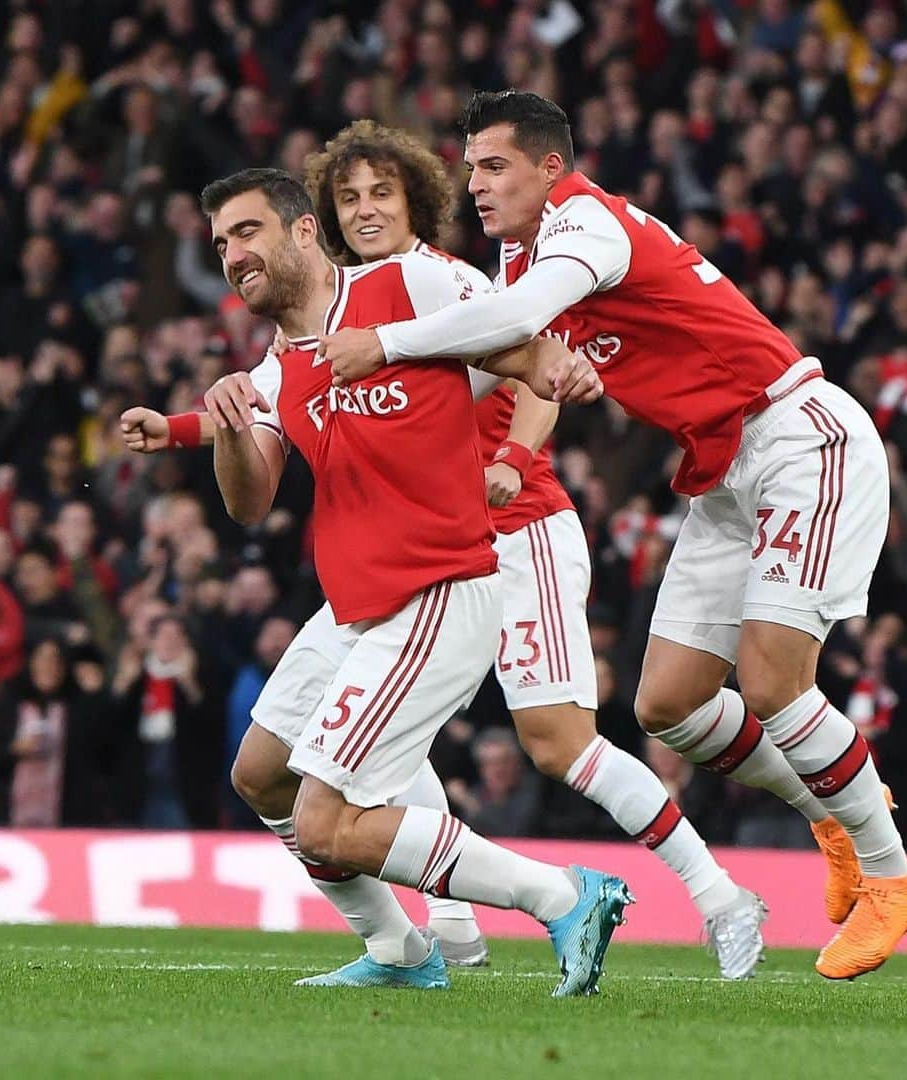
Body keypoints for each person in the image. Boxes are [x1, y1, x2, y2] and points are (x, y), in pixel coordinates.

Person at [123, 120, 767, 978]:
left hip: (507, 529)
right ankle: (418, 940)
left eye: (381, 192)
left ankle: (705, 895)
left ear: (412, 201)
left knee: (554, 740)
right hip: (385, 575)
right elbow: (255, 459)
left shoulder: (421, 281)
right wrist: (191, 428)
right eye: (348, 195)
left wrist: (513, 454)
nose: (364, 209)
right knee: (278, 770)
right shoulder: (297, 350)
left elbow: (536, 350)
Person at [318, 90, 907, 980]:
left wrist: (387, 346)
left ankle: (891, 875)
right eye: (472, 168)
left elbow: (515, 324)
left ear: (550, 167)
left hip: (798, 436)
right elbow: (514, 362)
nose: (476, 185)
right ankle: (833, 813)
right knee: (667, 707)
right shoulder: (524, 249)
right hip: (721, 472)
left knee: (771, 682)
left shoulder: (586, 228)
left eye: (494, 167)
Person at [153, 166, 630, 995]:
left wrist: (557, 373)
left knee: (327, 822)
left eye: (247, 231)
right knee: (260, 773)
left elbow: (515, 338)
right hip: (358, 606)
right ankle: (401, 952)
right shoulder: (280, 362)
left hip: (439, 588)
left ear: (304, 231)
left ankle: (563, 896)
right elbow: (249, 501)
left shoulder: (409, 280)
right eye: (221, 241)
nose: (231, 254)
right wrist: (227, 427)